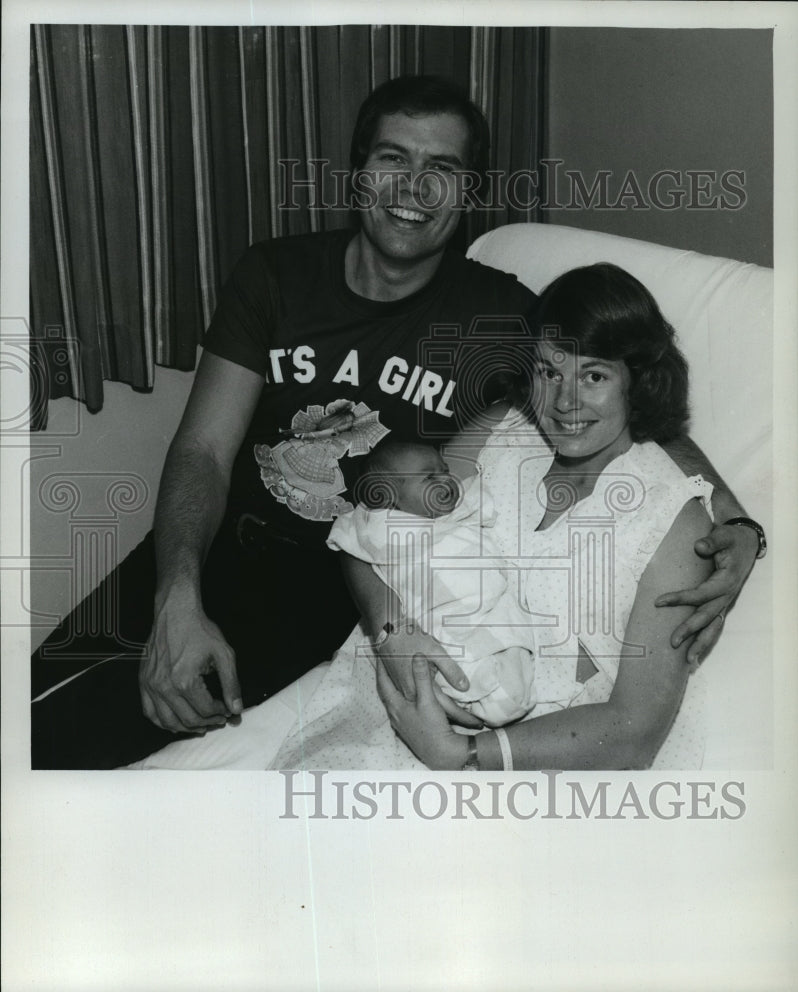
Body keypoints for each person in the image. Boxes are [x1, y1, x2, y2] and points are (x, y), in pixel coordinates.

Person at [31, 75, 762, 769]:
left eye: (441, 167)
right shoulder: (276, 275)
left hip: (320, 583)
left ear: (468, 191)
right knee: (29, 703)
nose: (414, 189)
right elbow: (202, 451)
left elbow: (626, 390)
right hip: (208, 544)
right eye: (393, 159)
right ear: (358, 172)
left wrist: (735, 524)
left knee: (73, 742)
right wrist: (175, 597)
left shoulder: (499, 316)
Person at [374, 264, 725, 769]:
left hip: (541, 755)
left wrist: (460, 753)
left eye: (594, 375)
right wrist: (389, 632)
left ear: (638, 381)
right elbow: (371, 532)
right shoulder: (499, 434)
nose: (565, 402)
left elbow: (634, 730)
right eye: (549, 371)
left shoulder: (673, 523)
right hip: (408, 700)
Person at [328, 439, 537, 726]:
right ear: (388, 496)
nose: (446, 480)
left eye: (446, 470)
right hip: (437, 614)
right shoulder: (379, 525)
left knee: (509, 635)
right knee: (451, 658)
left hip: (489, 601)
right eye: (429, 477)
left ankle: (506, 693)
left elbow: (484, 499)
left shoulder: (464, 506)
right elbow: (344, 537)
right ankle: (480, 697)